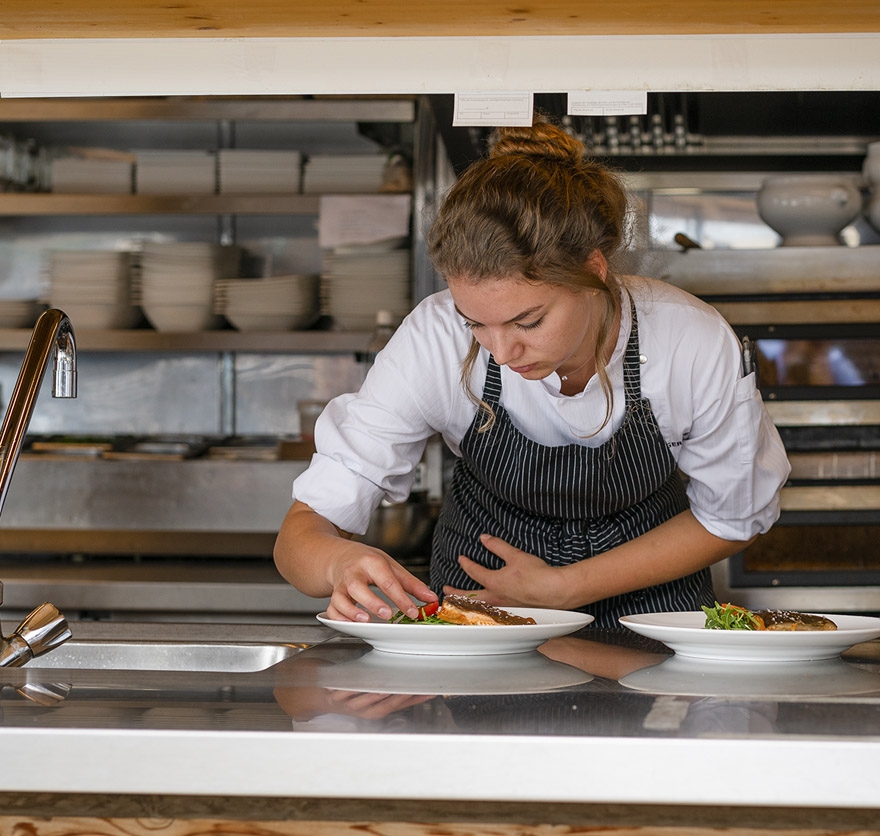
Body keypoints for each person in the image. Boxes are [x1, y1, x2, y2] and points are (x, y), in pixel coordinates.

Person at [273, 116, 790, 629]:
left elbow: (733, 517)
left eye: (529, 320)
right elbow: (301, 533)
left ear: (594, 270)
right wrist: (337, 562)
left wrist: (564, 587)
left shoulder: (687, 339)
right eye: (476, 322)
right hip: (481, 624)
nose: (500, 351)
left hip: (649, 622)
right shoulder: (434, 336)